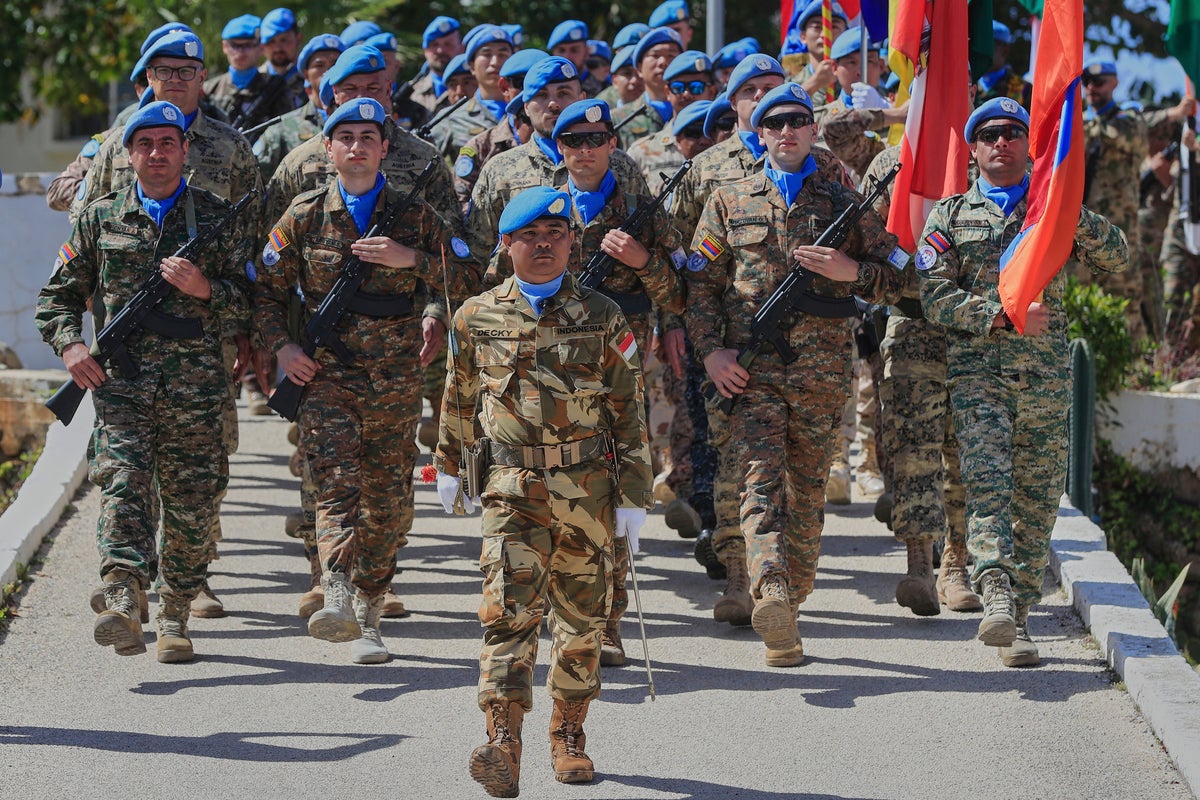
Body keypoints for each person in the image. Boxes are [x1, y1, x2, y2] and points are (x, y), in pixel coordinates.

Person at [434, 185, 651, 797]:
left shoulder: (604, 315)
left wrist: (635, 495)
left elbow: (628, 409)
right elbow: (458, 395)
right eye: (530, 236)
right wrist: (448, 465)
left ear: (572, 243)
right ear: (506, 244)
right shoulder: (475, 316)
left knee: (582, 620)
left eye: (556, 234)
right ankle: (503, 740)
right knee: (507, 612)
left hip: (588, 488)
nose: (544, 245)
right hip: (512, 487)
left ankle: (568, 733)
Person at [686, 82, 906, 666]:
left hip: (822, 372)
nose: (786, 131)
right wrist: (711, 353)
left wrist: (851, 270)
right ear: (759, 135)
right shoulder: (729, 199)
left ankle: (791, 608)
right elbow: (700, 287)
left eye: (797, 121)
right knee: (758, 481)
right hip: (750, 370)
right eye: (774, 123)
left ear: (813, 131)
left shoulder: (843, 202)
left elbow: (901, 274)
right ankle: (771, 589)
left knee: (806, 495)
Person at [254, 98, 477, 663]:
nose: (357, 147)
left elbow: (471, 276)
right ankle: (334, 588)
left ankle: (370, 611)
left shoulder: (415, 215)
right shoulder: (304, 215)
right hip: (326, 371)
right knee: (335, 483)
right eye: (346, 137)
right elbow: (265, 292)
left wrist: (412, 260)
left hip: (396, 376)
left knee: (387, 498)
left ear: (384, 149)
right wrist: (283, 348)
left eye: (368, 138)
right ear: (328, 148)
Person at [35, 101, 253, 663]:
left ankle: (174, 614)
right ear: (129, 154)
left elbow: (255, 304)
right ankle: (122, 596)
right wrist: (72, 345)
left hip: (197, 392)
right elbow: (57, 297)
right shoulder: (99, 218)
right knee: (123, 486)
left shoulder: (217, 218)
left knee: (192, 506)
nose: (157, 154)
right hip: (122, 387)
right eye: (145, 144)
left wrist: (207, 289)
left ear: (185, 151)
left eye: (168, 143)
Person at [918, 98, 1128, 667]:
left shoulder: (1050, 207)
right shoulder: (951, 215)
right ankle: (996, 594)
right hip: (979, 376)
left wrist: (1068, 208)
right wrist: (1000, 316)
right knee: (989, 486)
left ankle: (1021, 616)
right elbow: (933, 295)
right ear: (974, 148)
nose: (1002, 142)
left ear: (1027, 146)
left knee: (1037, 501)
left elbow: (1117, 256)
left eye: (1013, 132)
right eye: (989, 134)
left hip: (1045, 380)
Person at [862, 145, 980, 616]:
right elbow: (868, 243)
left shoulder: (995, 158)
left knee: (967, 451)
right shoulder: (894, 164)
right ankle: (919, 564)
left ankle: (956, 564)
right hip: (913, 326)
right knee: (913, 449)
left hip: (977, 331)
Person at [467, 57, 650, 283]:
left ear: (581, 98)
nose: (553, 104)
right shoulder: (499, 170)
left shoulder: (620, 165)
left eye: (564, 93)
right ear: (525, 106)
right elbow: (478, 254)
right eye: (541, 95)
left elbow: (648, 235)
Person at [453, 49, 550, 211]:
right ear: (505, 88)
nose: (532, 93)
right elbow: (462, 211)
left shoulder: (572, 143)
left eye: (542, 86)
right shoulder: (480, 148)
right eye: (522, 83)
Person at [252, 33, 345, 182]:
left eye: (335, 64)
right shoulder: (282, 129)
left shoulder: (362, 124)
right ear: (306, 74)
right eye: (319, 65)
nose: (328, 70)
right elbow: (257, 182)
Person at [431, 26, 514, 163]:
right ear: (471, 66)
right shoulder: (452, 118)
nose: (495, 62)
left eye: (502, 54)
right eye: (487, 54)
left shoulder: (529, 111)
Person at [204, 15, 296, 129]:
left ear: (261, 47)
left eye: (248, 45)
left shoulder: (277, 89)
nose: (240, 52)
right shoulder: (209, 89)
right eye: (234, 45)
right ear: (225, 47)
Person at [610, 27, 685, 150]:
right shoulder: (618, 119)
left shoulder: (695, 113)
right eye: (655, 55)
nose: (663, 62)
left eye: (671, 55)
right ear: (639, 68)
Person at [411, 16, 465, 114]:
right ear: (425, 50)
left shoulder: (472, 89)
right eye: (434, 44)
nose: (440, 50)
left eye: (448, 44)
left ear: (461, 49)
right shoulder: (411, 92)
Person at [260, 8, 307, 110]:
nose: (278, 48)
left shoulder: (311, 77)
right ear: (263, 46)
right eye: (271, 41)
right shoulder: (255, 82)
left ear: (298, 39)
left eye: (284, 40)